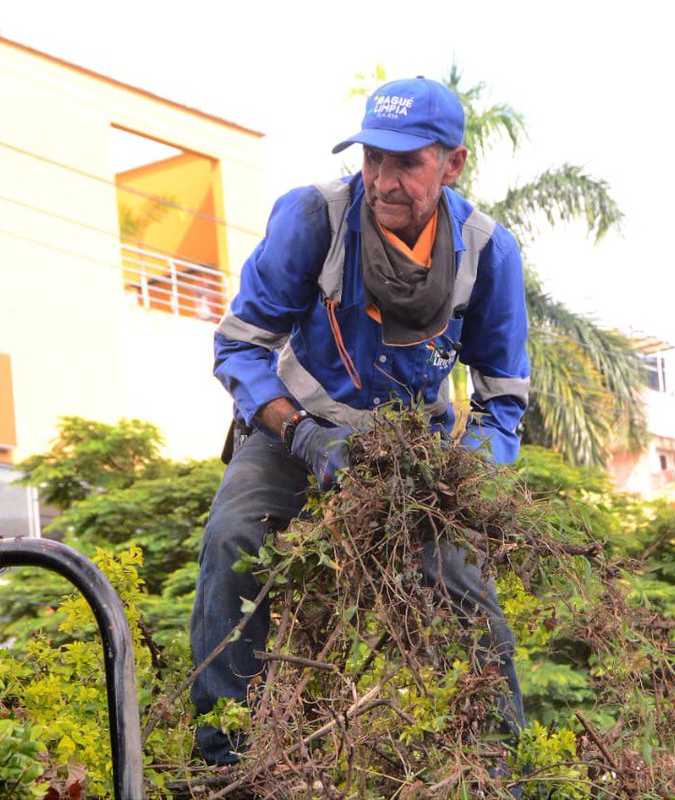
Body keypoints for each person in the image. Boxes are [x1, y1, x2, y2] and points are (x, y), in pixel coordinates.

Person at [190, 76, 531, 766]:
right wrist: (305, 435)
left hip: (416, 457)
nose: (384, 180)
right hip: (295, 432)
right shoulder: (314, 218)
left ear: (453, 163)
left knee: (466, 595)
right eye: (373, 158)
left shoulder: (487, 252)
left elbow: (502, 399)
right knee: (232, 541)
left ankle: (495, 772)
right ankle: (225, 762)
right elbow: (238, 345)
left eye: (407, 162)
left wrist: (462, 477)